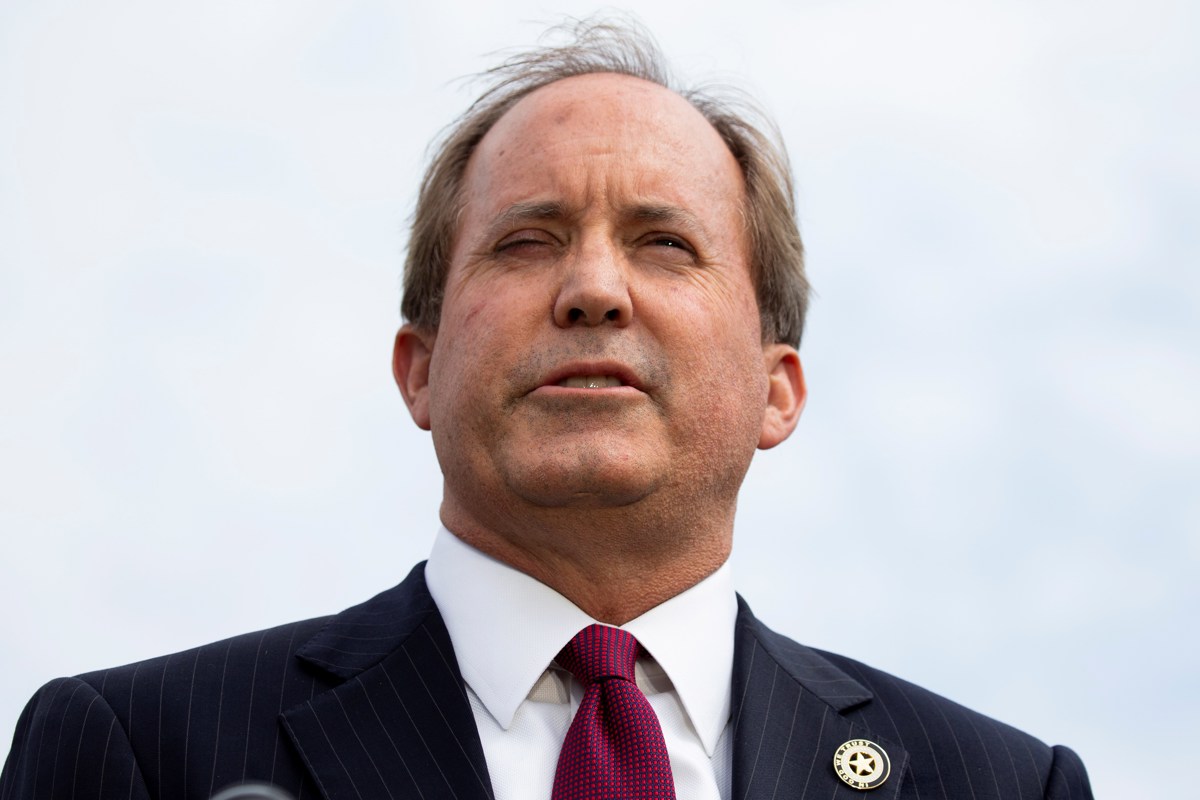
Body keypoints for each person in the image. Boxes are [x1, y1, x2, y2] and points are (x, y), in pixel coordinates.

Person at [0, 18, 1093, 800]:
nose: (594, 288)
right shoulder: (141, 754)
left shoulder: (1002, 782)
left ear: (777, 388)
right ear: (418, 369)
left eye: (666, 243)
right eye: (526, 240)